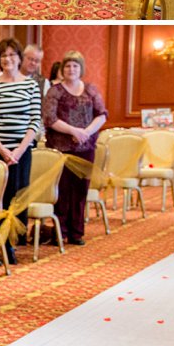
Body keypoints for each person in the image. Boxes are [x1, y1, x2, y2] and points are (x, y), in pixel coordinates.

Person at [0, 37, 43, 265]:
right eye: (4, 56)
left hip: (21, 152)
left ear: (19, 58)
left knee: (16, 199)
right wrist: (3, 150)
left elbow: (35, 121)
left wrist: (18, 151)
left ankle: (8, 243)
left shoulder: (31, 85)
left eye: (12, 55)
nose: (8, 59)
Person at [43, 50, 108, 246]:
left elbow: (102, 114)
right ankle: (60, 231)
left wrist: (86, 132)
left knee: (80, 190)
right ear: (62, 69)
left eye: (75, 66)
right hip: (61, 148)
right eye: (68, 66)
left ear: (81, 69)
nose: (71, 69)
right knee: (62, 190)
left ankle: (76, 232)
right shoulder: (55, 91)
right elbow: (50, 118)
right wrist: (73, 130)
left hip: (86, 147)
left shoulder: (90, 90)